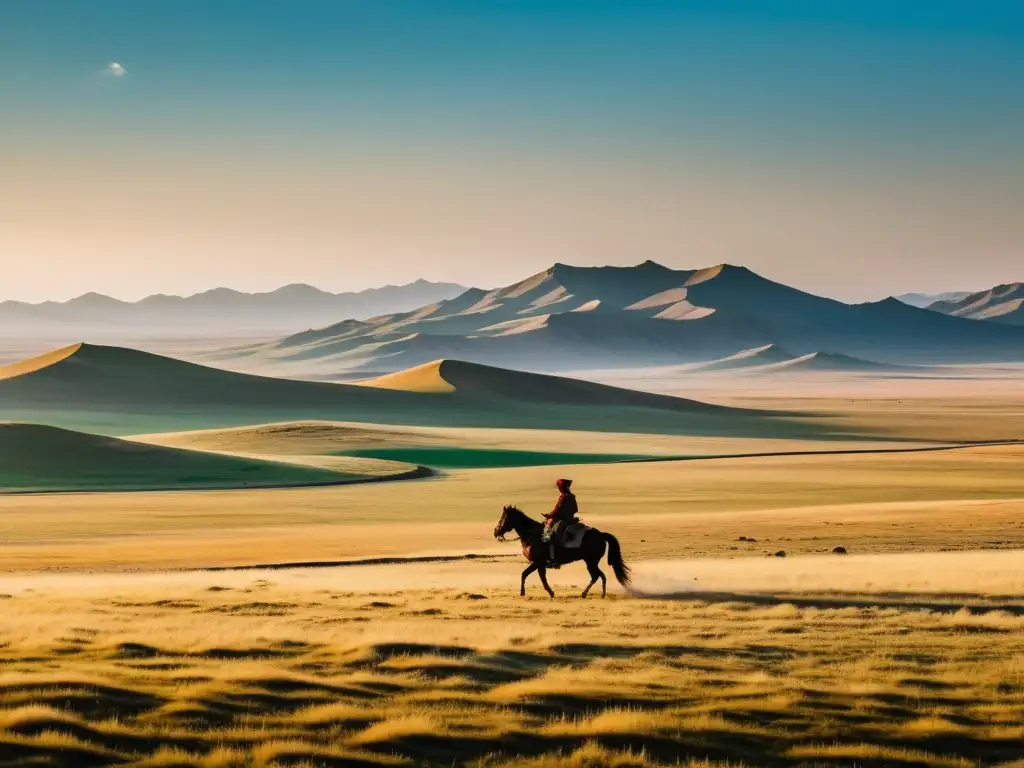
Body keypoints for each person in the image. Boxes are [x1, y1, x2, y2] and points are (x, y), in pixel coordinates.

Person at [541, 478, 578, 567]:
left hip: (562, 520)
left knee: (548, 528)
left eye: (559, 487)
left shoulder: (563, 496)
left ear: (562, 487)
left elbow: (557, 510)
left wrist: (549, 515)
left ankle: (550, 554)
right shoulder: (572, 496)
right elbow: (576, 509)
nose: (558, 488)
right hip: (570, 519)